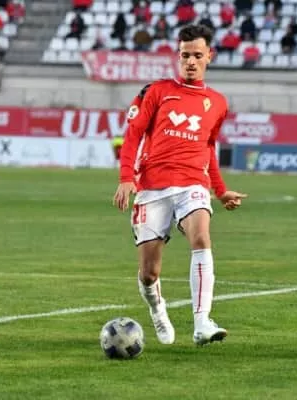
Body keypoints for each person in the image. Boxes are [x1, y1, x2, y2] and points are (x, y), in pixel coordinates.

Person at [113, 24, 247, 346]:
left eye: (197, 55)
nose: (190, 61)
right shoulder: (157, 92)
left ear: (209, 56)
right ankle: (158, 310)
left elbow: (208, 147)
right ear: (178, 56)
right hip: (152, 186)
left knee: (201, 238)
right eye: (185, 55)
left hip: (192, 183)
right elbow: (133, 134)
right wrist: (126, 178)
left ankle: (202, 323)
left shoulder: (217, 102)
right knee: (149, 273)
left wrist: (219, 189)